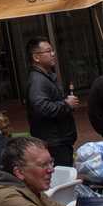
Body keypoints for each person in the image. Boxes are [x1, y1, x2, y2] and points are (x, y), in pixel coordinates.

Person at [25, 38, 79, 166]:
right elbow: (41, 107)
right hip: (54, 142)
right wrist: (66, 104)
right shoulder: (38, 80)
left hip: (58, 140)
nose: (53, 54)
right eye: (48, 51)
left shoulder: (44, 76)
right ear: (36, 57)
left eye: (52, 50)